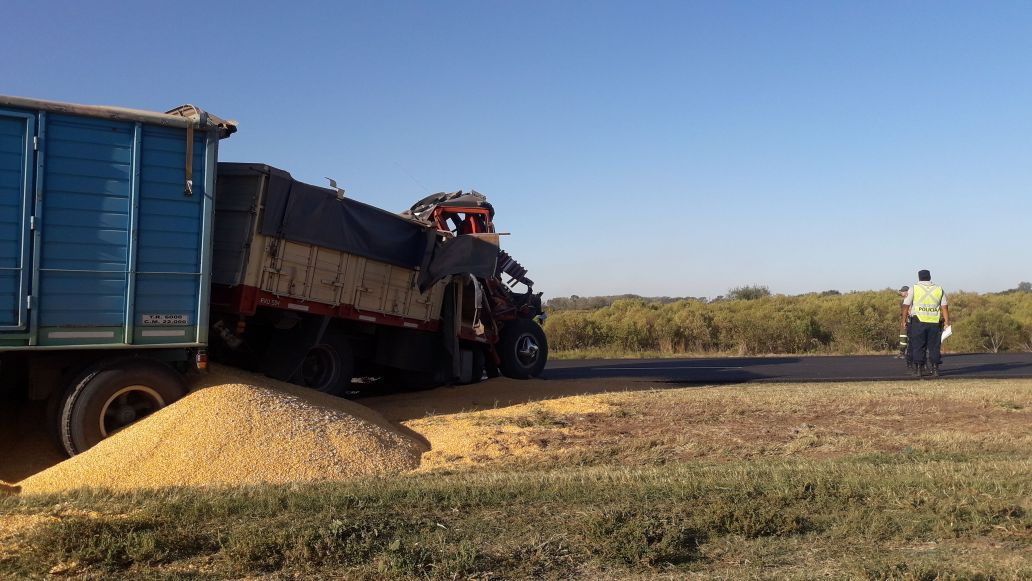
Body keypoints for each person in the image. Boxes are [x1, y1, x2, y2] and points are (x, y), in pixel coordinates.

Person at [901, 270, 950, 377]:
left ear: (919, 277)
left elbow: (906, 305)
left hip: (918, 321)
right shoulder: (939, 289)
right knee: (934, 346)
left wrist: (903, 321)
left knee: (918, 346)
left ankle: (919, 370)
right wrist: (947, 322)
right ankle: (935, 369)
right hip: (934, 322)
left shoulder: (914, 288)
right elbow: (944, 307)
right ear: (930, 277)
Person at [896, 286, 911, 365]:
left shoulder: (912, 300)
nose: (901, 292)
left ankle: (907, 353)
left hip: (909, 321)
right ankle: (902, 352)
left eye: (902, 291)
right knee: (903, 337)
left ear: (906, 292)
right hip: (904, 321)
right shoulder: (903, 301)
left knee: (909, 337)